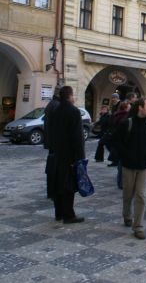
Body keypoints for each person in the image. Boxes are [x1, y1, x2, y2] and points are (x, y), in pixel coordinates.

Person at [113, 98, 146, 240]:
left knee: (141, 195)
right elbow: (117, 142)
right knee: (128, 194)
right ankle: (127, 215)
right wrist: (126, 156)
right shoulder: (127, 123)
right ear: (140, 108)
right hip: (129, 166)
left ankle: (138, 226)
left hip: (144, 166)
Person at [50, 86, 85, 224]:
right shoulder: (74, 111)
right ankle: (69, 215)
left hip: (58, 153)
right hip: (70, 155)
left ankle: (58, 213)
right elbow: (78, 137)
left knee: (59, 184)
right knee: (69, 186)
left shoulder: (55, 110)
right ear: (70, 95)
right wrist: (80, 157)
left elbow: (51, 132)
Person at [44, 85, 61, 199]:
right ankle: (54, 192)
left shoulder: (51, 104)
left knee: (51, 166)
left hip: (51, 141)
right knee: (55, 168)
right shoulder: (57, 106)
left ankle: (50, 191)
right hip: (57, 142)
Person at [111, 102, 131, 188]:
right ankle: (121, 183)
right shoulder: (125, 116)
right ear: (126, 108)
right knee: (122, 164)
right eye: (129, 107)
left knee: (120, 163)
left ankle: (120, 182)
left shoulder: (116, 115)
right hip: (122, 142)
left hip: (116, 141)